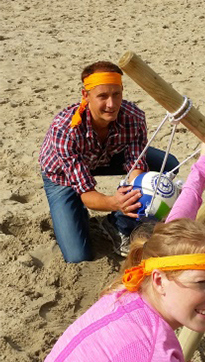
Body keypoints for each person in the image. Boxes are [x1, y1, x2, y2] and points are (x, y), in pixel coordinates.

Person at [23, 219, 205, 362]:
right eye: (202, 282)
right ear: (158, 280)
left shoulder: (123, 293)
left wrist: (198, 178)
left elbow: (166, 239)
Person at [39, 61, 181, 262]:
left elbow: (136, 166)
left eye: (116, 94)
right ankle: (75, 212)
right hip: (62, 175)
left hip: (109, 156)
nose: (111, 104)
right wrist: (114, 202)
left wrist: (135, 198)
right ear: (85, 96)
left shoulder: (133, 116)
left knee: (168, 164)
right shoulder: (65, 129)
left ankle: (117, 223)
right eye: (102, 96)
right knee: (78, 255)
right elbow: (87, 193)